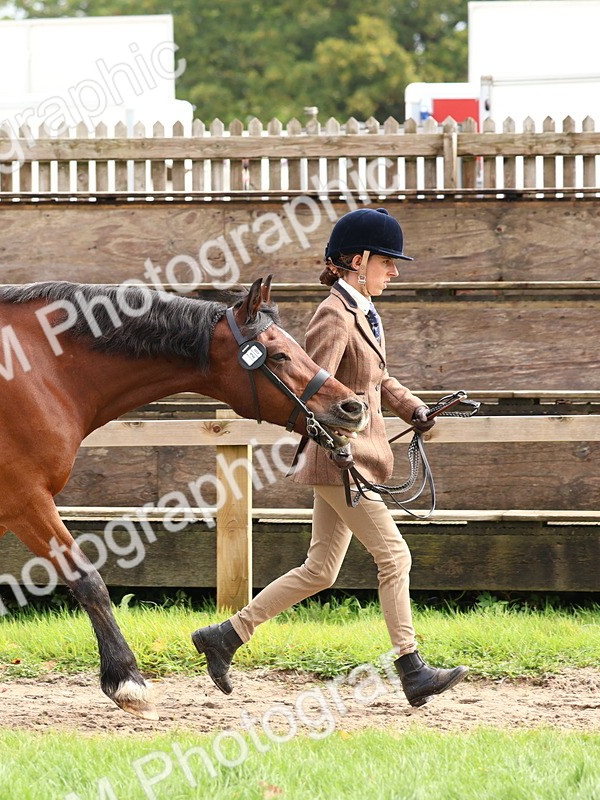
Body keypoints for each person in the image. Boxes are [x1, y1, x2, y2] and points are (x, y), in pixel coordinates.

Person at [192, 207, 468, 708]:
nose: (395, 271)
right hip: (342, 460)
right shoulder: (334, 315)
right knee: (395, 556)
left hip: (353, 457)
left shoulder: (362, 311)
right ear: (358, 261)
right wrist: (336, 447)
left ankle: (225, 636)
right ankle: (411, 668)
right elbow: (311, 391)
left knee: (320, 570)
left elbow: (377, 379)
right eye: (387, 261)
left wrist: (415, 408)